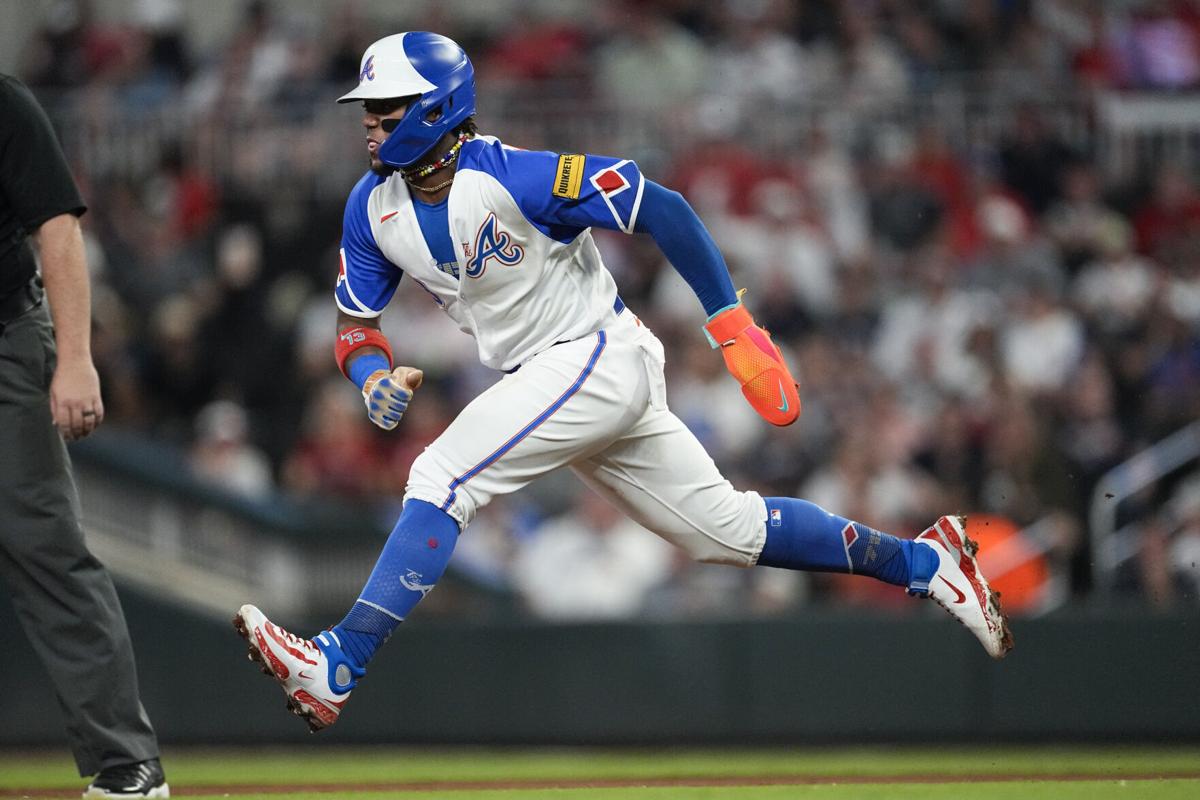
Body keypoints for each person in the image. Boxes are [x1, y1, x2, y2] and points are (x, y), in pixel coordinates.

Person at [234, 32, 1013, 732]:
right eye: (368, 110)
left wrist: (730, 324)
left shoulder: (516, 177)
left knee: (440, 474)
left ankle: (340, 662)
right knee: (728, 534)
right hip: (561, 379)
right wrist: (369, 377)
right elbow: (355, 327)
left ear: (432, 112)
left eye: (383, 108)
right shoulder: (372, 208)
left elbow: (659, 205)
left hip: (595, 355)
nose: (368, 123)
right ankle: (930, 563)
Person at [0, 75, 168, 798]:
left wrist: (74, 359)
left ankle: (126, 763)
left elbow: (58, 229)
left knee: (45, 547)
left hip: (4, 336)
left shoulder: (3, 104)